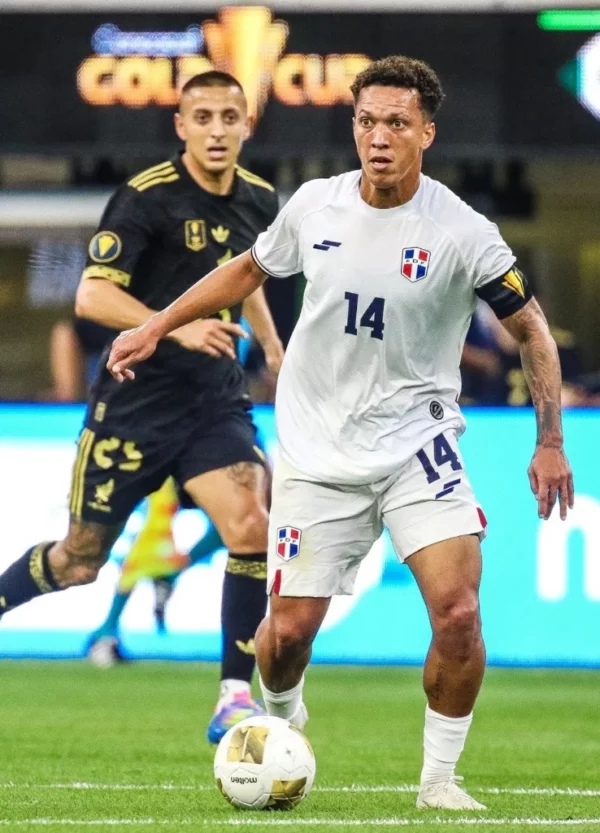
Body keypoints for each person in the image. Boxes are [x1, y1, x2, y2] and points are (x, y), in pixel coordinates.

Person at [108, 56, 575, 809]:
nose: (379, 137)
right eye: (366, 121)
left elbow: (532, 331)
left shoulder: (463, 231)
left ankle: (439, 782)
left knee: (458, 611)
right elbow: (244, 272)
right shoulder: (315, 208)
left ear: (427, 130)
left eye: (396, 122)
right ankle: (287, 731)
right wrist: (159, 324)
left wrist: (549, 439)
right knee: (284, 639)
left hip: (420, 450)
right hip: (317, 453)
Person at [0, 70, 285, 745]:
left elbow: (244, 278)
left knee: (251, 524)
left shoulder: (262, 201)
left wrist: (274, 346)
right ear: (180, 126)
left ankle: (233, 699)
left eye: (229, 117)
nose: (217, 130)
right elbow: (92, 296)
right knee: (79, 559)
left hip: (213, 400)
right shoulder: (145, 199)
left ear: (247, 125)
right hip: (135, 404)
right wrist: (171, 324)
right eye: (204, 117)